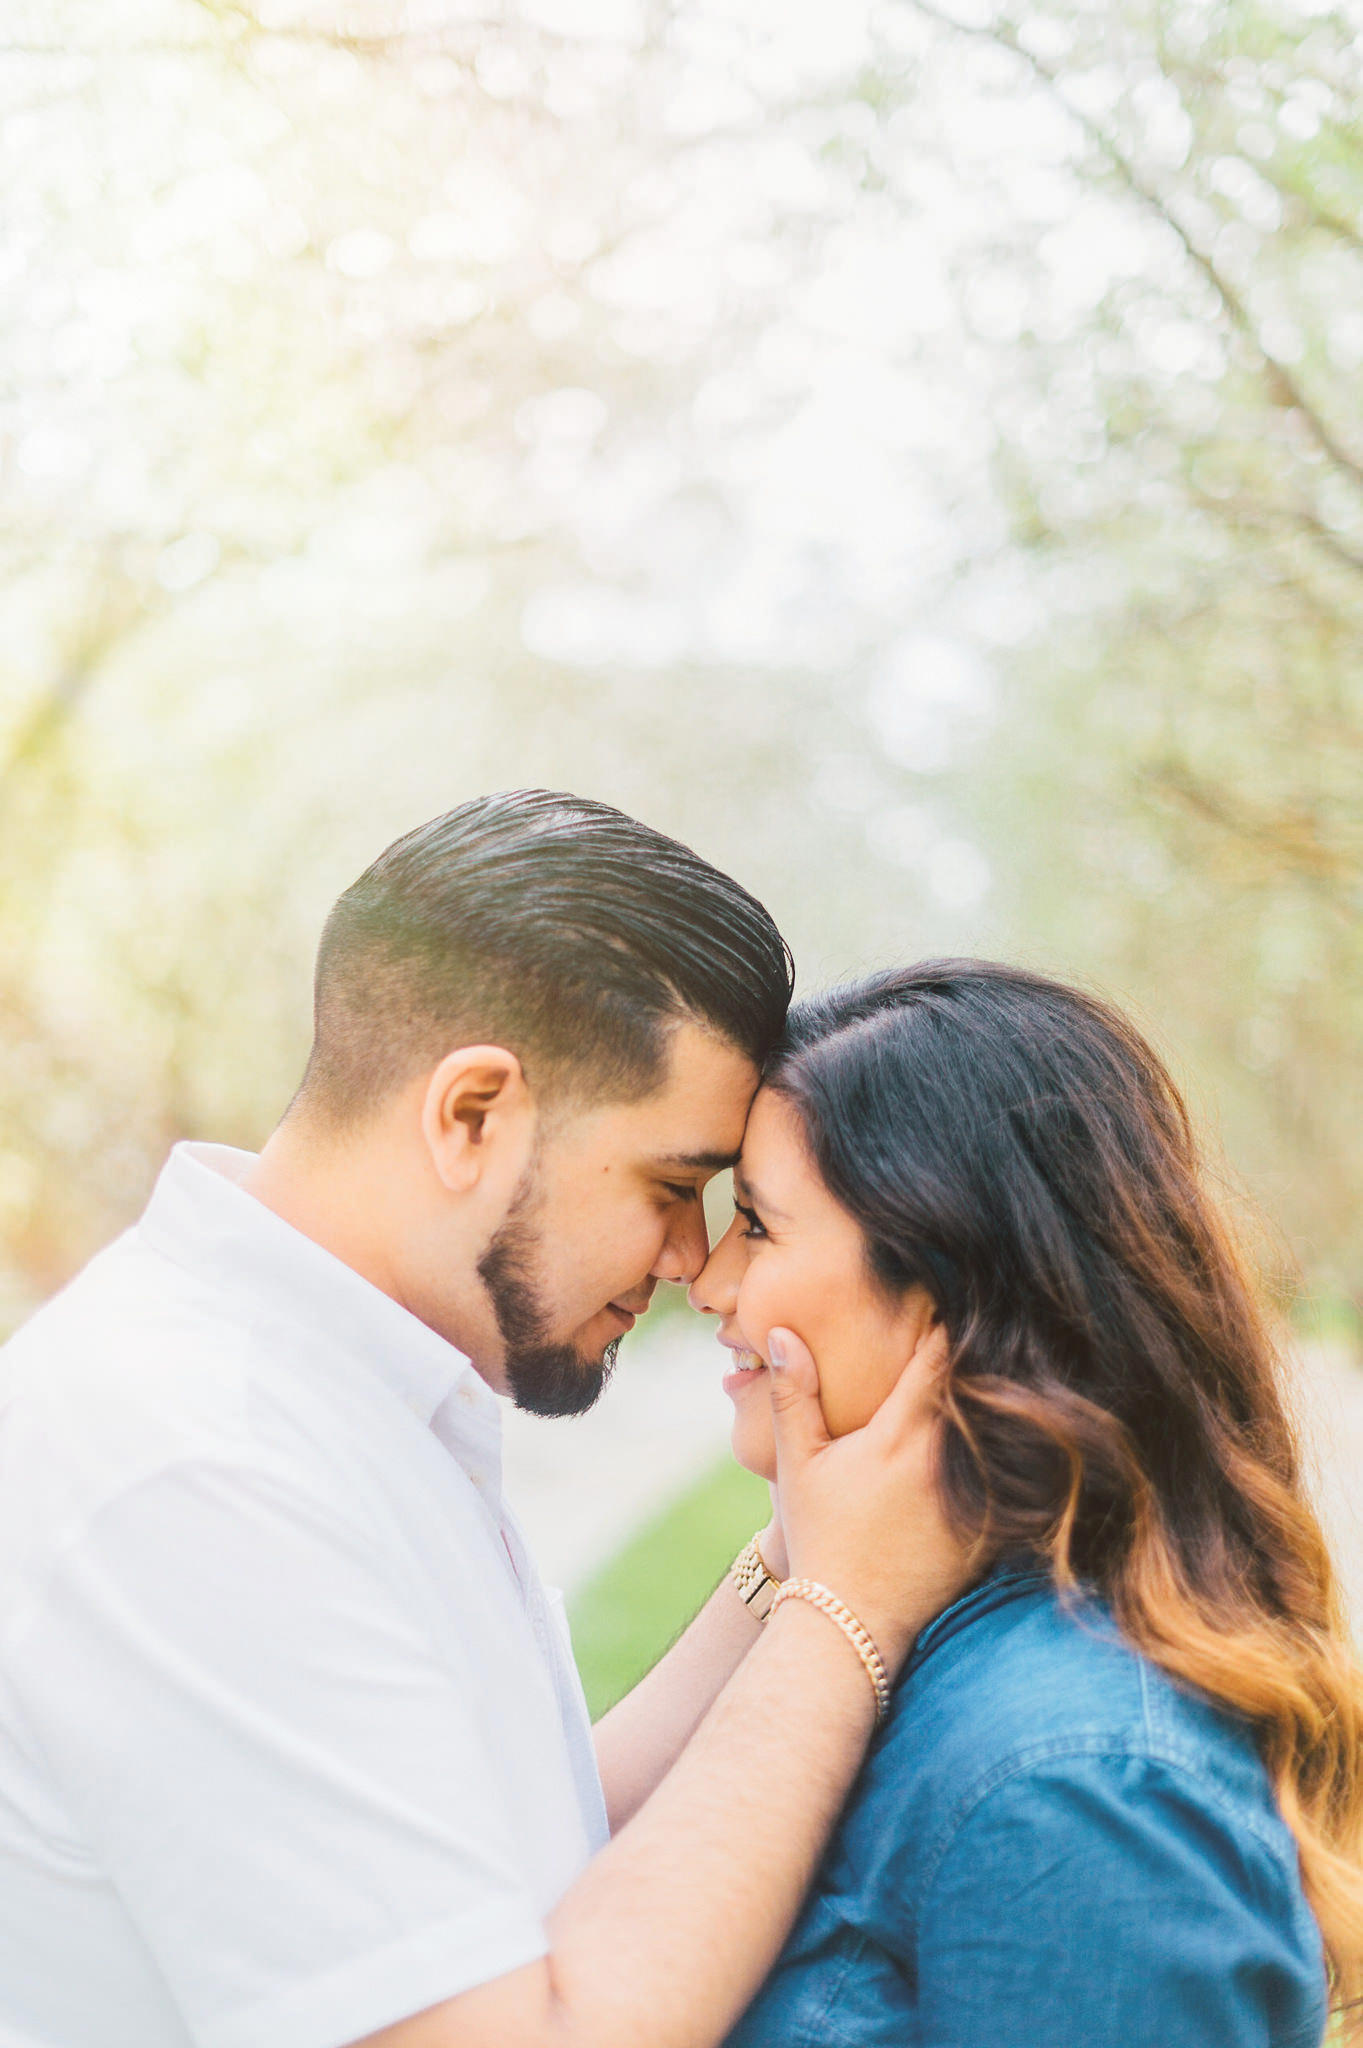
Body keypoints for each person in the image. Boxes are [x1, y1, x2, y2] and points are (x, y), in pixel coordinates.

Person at [0, 792, 968, 2048]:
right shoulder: (200, 1462)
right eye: (672, 1183)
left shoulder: (331, 1391)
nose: (691, 1256)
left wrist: (797, 1559)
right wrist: (851, 1618)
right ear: (471, 1114)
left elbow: (533, 1857)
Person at [691, 959, 1363, 2048]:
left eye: (758, 1224)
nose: (707, 1277)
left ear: (946, 1290)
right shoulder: (900, 1644)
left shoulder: (1083, 1784)